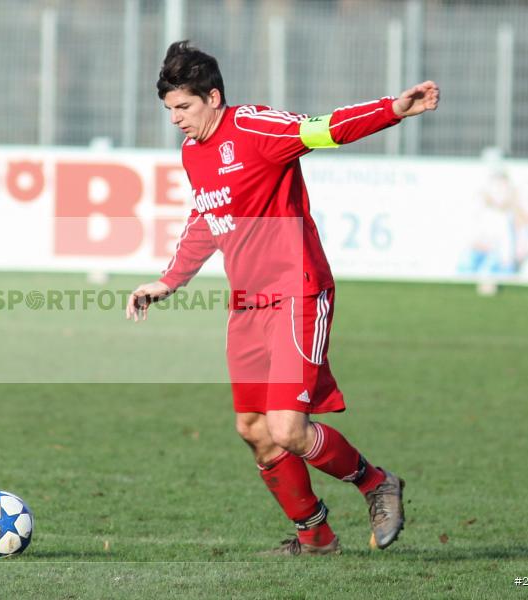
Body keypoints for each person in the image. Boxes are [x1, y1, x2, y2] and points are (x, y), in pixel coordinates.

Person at [126, 40, 439, 555]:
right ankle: (315, 537)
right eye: (169, 110)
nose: (176, 119)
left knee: (288, 429)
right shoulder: (192, 153)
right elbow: (207, 216)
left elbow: (324, 128)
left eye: (183, 107)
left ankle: (376, 483)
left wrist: (393, 109)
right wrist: (169, 280)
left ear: (213, 97)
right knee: (253, 428)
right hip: (247, 305)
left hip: (297, 292)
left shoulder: (254, 128)